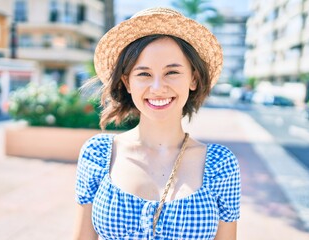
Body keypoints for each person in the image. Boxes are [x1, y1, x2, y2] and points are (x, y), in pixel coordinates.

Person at [73, 7, 241, 240]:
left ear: (193, 78)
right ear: (127, 82)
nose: (157, 87)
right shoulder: (98, 154)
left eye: (172, 72)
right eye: (144, 74)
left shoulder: (220, 165)